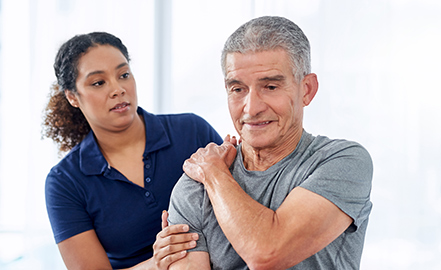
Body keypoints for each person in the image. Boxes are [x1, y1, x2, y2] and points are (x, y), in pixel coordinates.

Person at [167, 16, 374, 269]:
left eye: (271, 86)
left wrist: (214, 174)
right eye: (238, 89)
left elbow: (266, 253)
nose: (251, 108)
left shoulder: (343, 162)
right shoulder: (193, 187)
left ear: (307, 89)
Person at [42, 32, 223, 269]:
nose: (117, 89)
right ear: (73, 97)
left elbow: (241, 201)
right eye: (99, 82)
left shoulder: (191, 131)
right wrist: (157, 263)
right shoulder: (64, 182)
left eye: (123, 75)